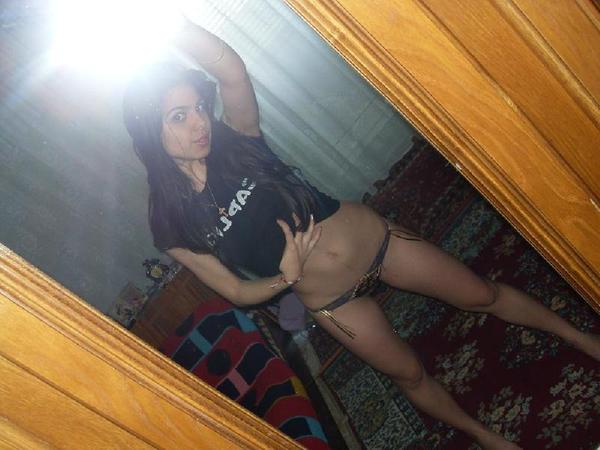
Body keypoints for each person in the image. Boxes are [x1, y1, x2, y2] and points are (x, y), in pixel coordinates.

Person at [122, 20, 600, 450]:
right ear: (149, 131)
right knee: (409, 373)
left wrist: (163, 22)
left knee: (481, 295)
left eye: (198, 107)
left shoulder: (235, 140)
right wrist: (284, 278)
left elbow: (231, 69)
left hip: (378, 243)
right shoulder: (170, 224)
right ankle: (485, 437)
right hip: (334, 301)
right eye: (178, 116)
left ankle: (578, 336)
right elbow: (234, 290)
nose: (200, 122)